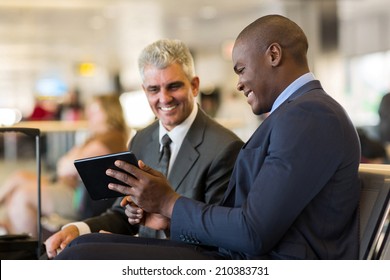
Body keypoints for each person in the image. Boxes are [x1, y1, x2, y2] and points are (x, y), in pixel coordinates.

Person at [53, 15, 361, 260]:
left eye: (241, 69)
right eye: (153, 89)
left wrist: (168, 203)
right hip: (241, 256)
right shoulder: (299, 113)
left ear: (274, 55)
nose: (239, 84)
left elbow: (253, 232)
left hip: (259, 263)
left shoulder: (308, 115)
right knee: (83, 247)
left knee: (84, 255)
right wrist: (164, 214)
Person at [44, 39, 244, 258]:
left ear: (194, 85)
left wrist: (167, 221)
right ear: (144, 91)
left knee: (79, 257)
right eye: (153, 89)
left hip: (186, 261)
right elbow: (122, 214)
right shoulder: (142, 138)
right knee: (59, 253)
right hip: (143, 254)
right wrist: (78, 229)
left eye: (174, 86)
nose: (164, 98)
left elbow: (221, 240)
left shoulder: (226, 148)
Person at [0, 94, 130, 237]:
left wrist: (69, 162)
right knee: (19, 177)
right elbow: (63, 164)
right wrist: (68, 162)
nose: (89, 115)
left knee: (22, 195)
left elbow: (69, 165)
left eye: (95, 111)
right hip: (68, 185)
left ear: (109, 112)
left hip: (78, 195)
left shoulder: (111, 138)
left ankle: (28, 250)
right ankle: (12, 231)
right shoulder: (96, 136)